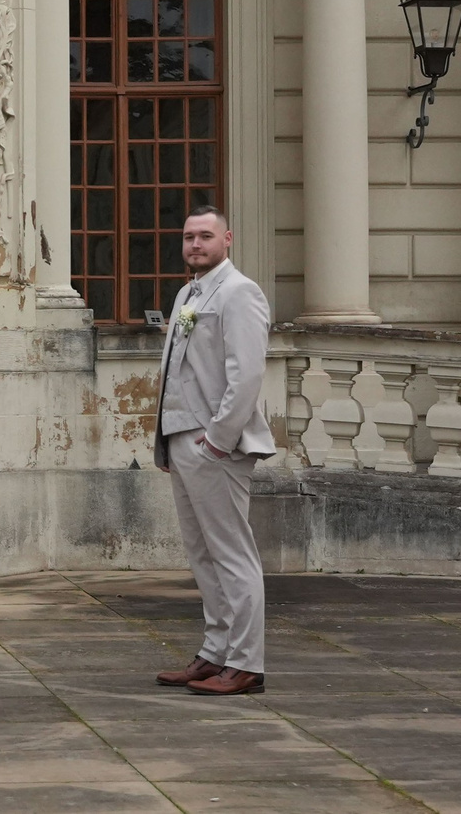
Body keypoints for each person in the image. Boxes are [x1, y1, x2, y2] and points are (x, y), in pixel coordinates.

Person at [151, 205, 274, 697]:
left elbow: (247, 374)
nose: (195, 244)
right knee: (202, 554)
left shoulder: (240, 292)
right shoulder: (188, 293)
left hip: (215, 443)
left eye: (205, 235)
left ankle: (245, 663)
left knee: (231, 554)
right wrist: (167, 441)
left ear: (228, 239)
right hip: (182, 437)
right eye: (189, 237)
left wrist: (219, 440)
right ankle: (215, 652)